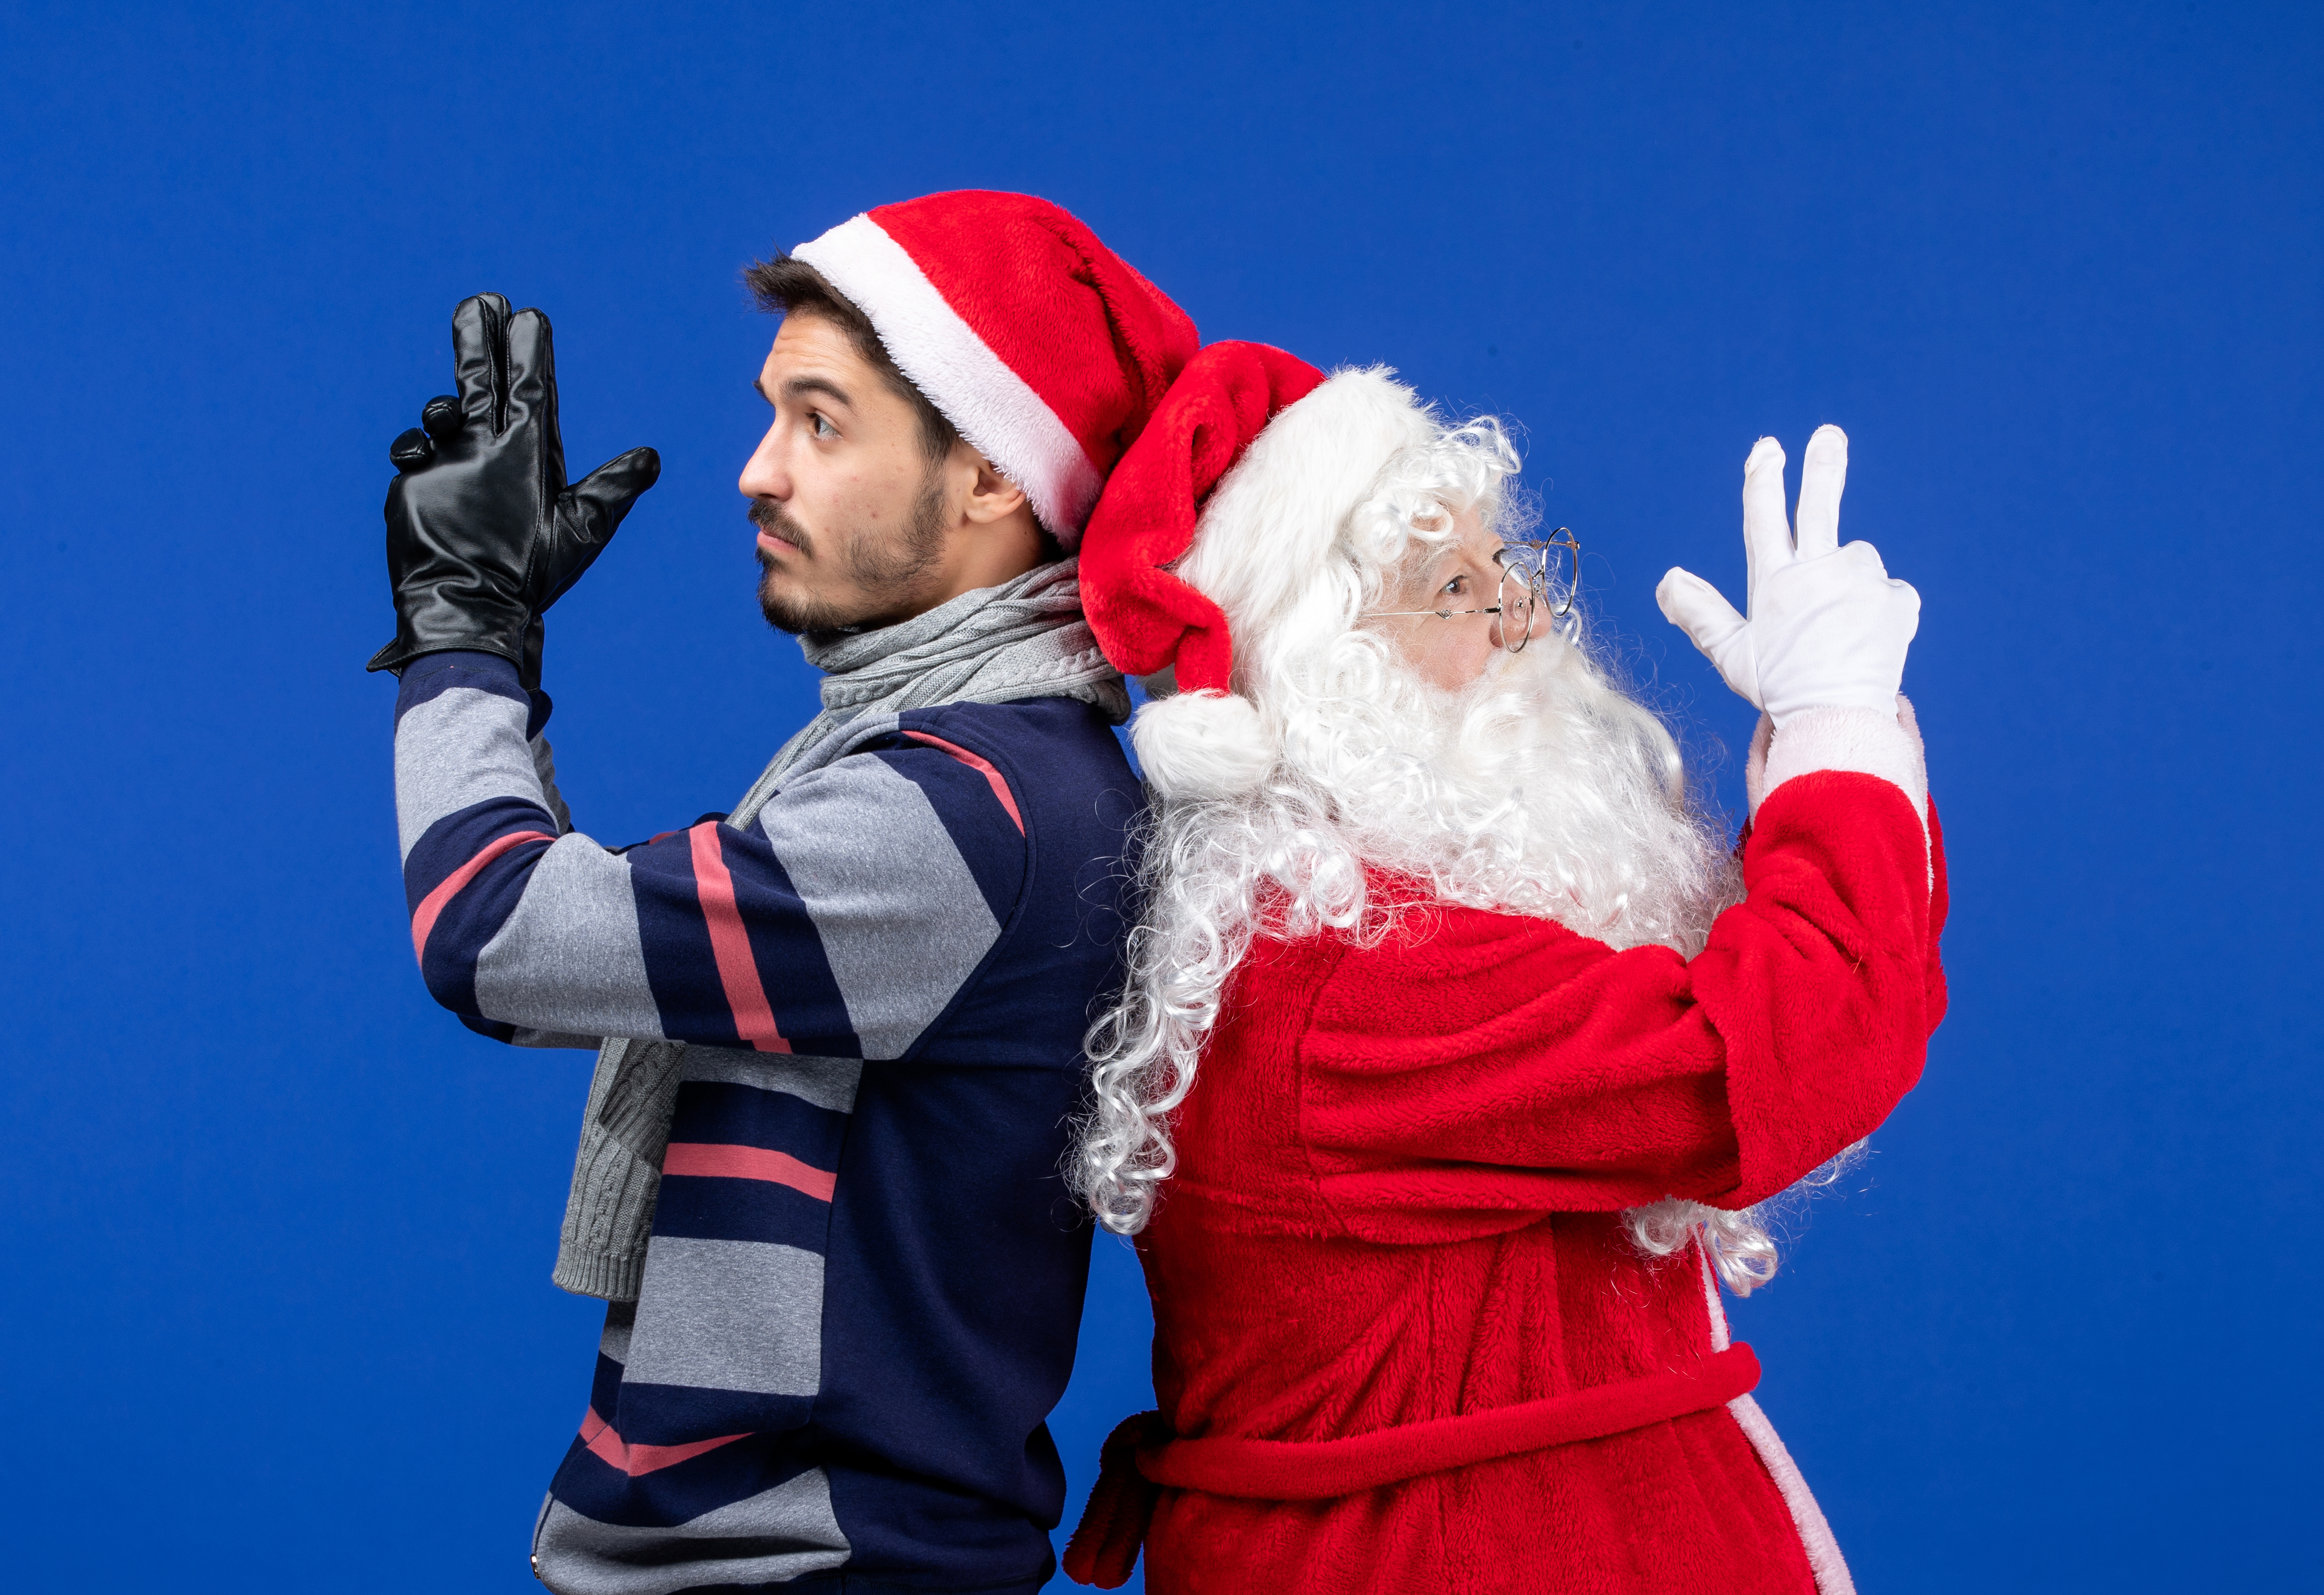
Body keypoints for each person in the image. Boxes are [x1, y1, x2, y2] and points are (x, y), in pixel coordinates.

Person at [370, 191, 1197, 1594]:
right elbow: (574, 956)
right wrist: (488, 643)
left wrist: (463, 632)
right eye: (772, 415)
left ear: (992, 470)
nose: (758, 472)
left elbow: (494, 936)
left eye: (821, 421)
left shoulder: (960, 816)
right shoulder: (970, 771)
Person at [1059, 351, 1945, 1593]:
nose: (1526, 622)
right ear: (1323, 676)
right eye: (1453, 588)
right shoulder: (1348, 980)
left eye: (1506, 571)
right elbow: (1778, 1046)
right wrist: (1836, 735)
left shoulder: (1355, 934)